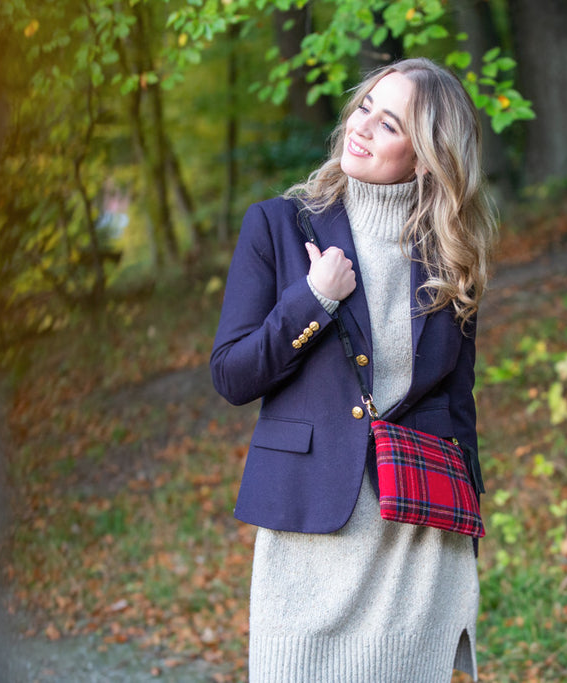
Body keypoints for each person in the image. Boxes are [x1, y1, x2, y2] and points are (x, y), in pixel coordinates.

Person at [210, 57, 496, 682]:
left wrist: (468, 526)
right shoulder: (278, 226)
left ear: (425, 157)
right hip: (311, 531)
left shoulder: (451, 256)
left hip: (417, 539)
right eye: (364, 106)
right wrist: (312, 300)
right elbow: (232, 375)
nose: (360, 127)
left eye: (388, 123)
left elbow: (458, 404)